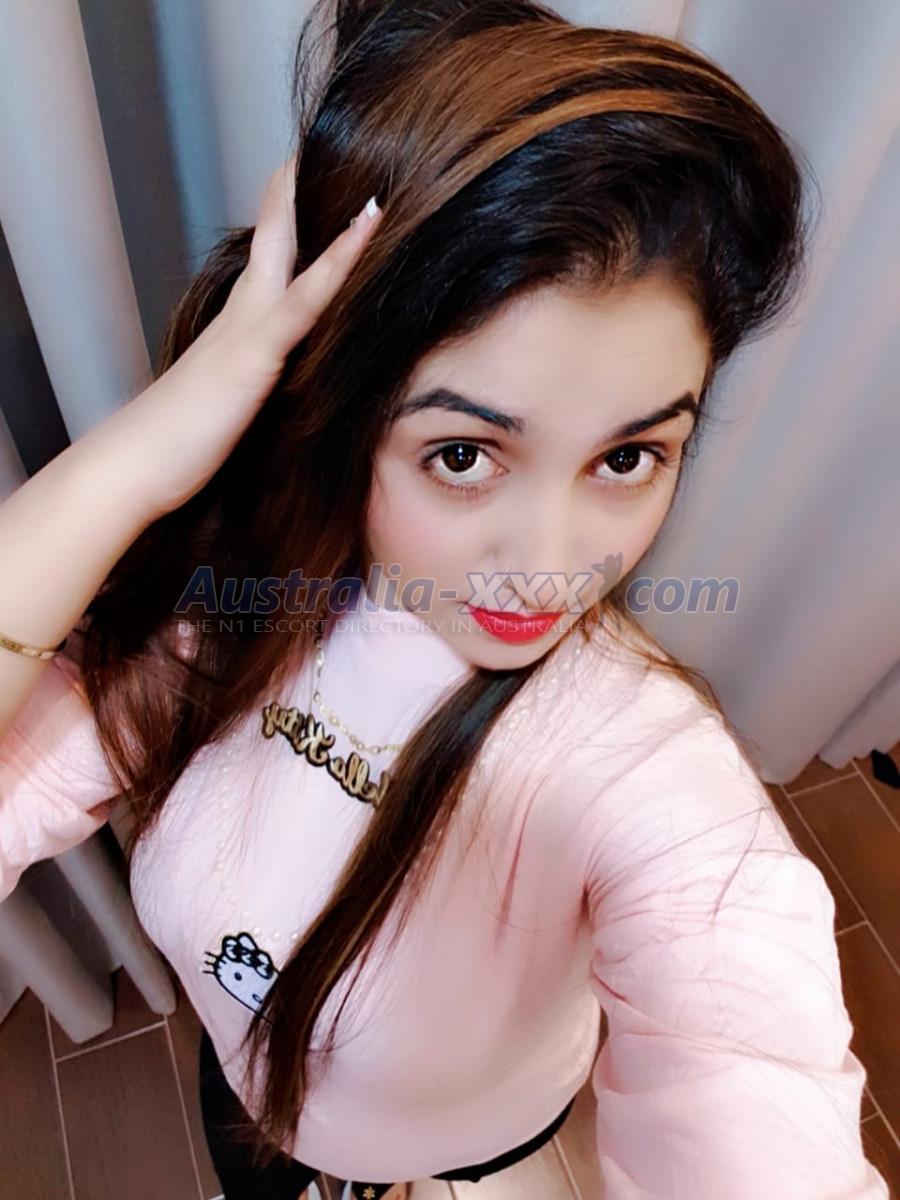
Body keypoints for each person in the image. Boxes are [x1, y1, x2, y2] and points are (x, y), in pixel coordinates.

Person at [0, 2, 890, 1198]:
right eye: (464, 455)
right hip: (246, 1092)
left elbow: (749, 1071)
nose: (551, 565)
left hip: (480, 1140)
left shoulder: (643, 779)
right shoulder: (214, 630)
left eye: (629, 456)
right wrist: (138, 454)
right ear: (344, 416)